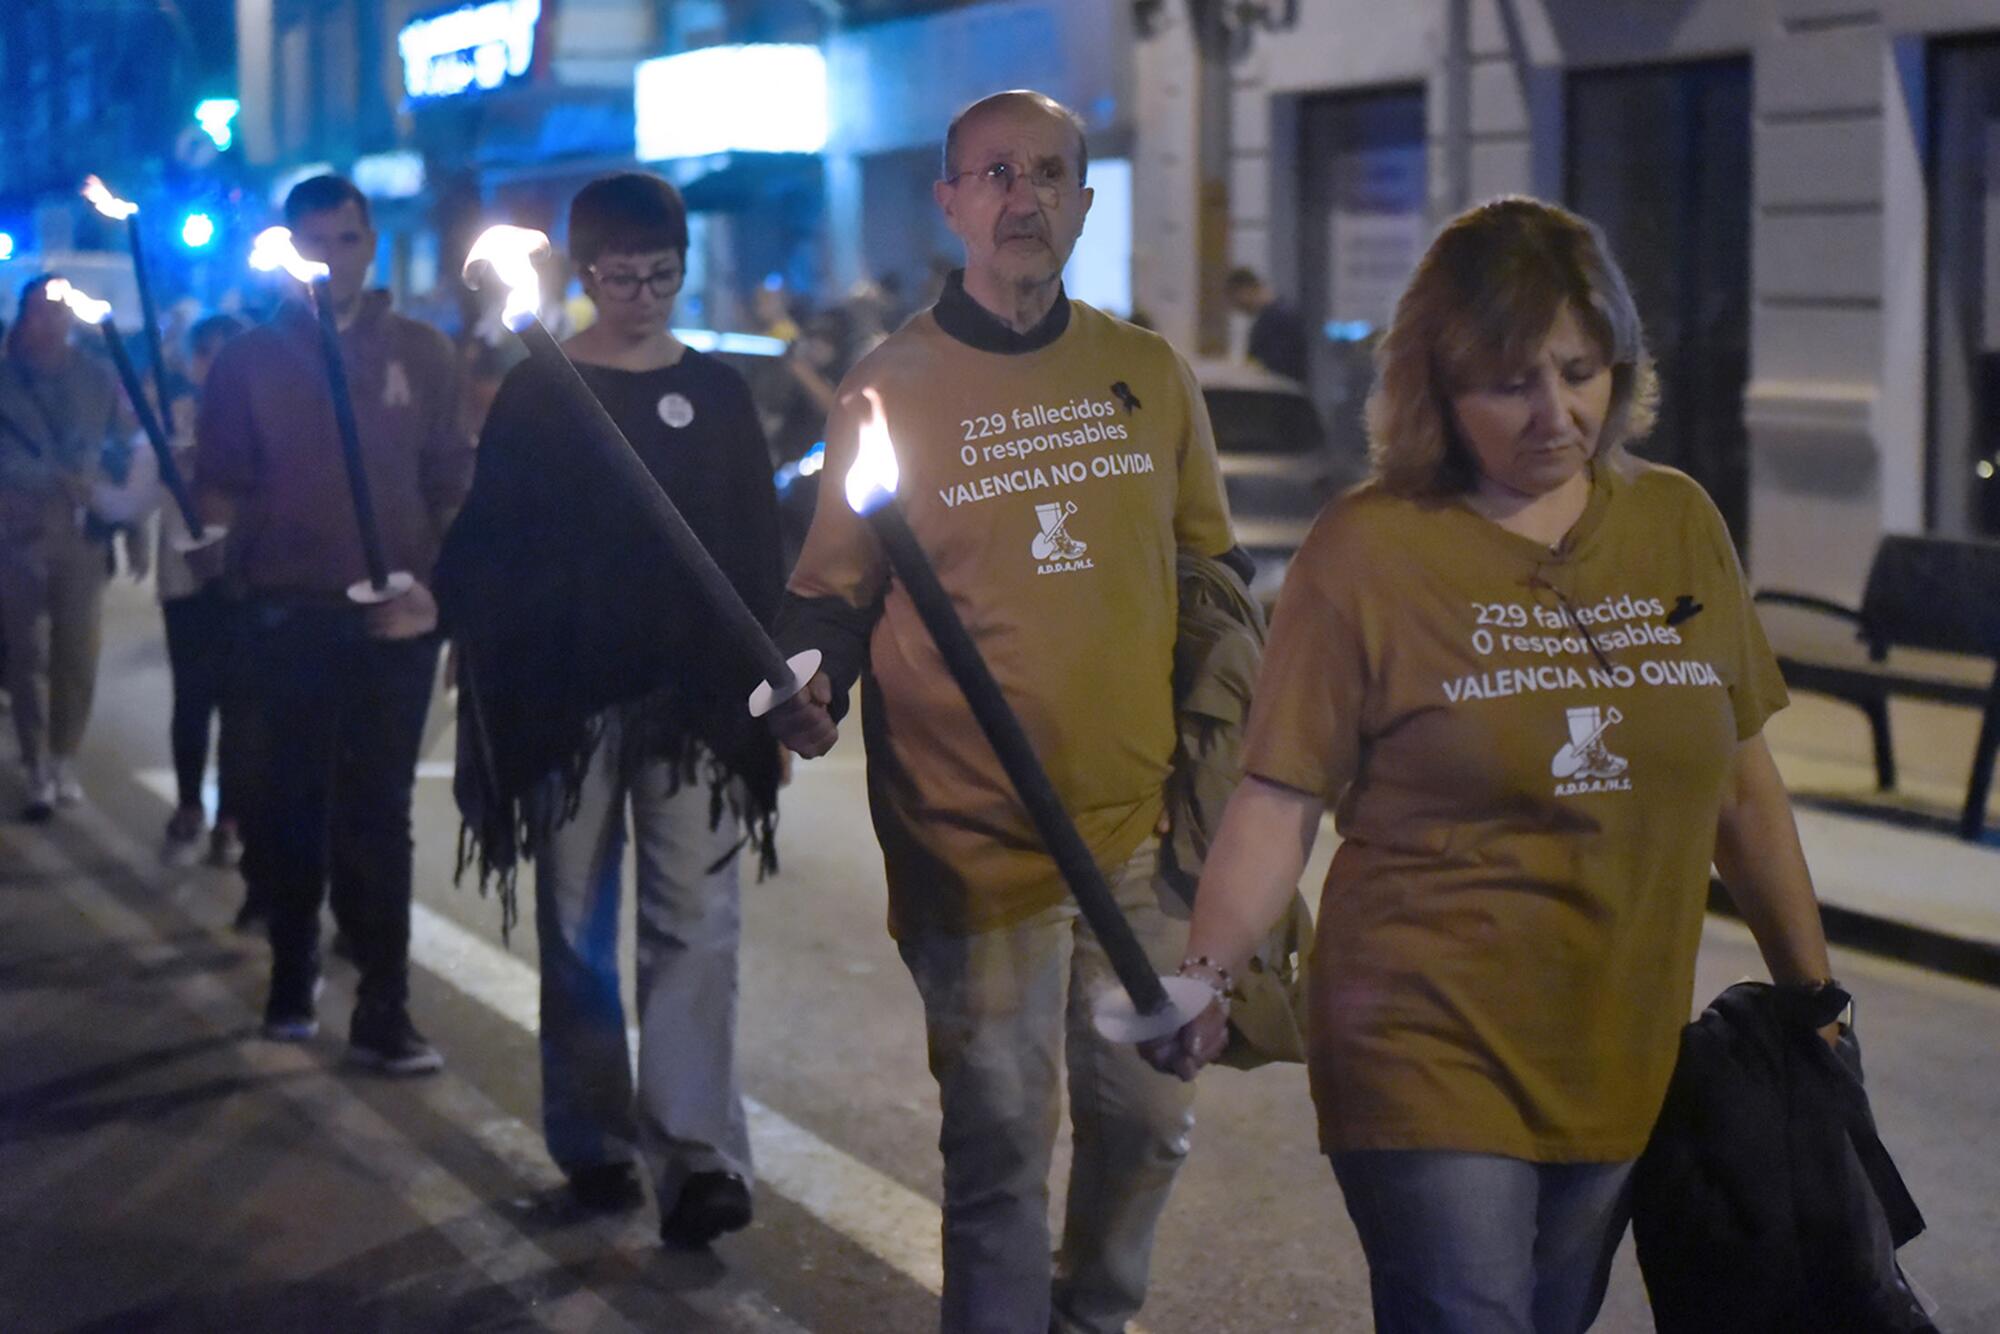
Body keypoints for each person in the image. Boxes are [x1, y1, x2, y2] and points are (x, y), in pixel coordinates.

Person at [1143, 197, 1842, 1333]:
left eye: (1578, 369)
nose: (1553, 411)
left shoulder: (1675, 524)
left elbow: (1739, 782)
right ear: (1436, 386)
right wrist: (1209, 974)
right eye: (1508, 381)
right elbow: (1278, 796)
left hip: (1617, 1041)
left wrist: (1811, 995)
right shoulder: (1367, 548)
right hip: (1421, 1035)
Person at [768, 90, 1244, 1334]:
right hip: (970, 847)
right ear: (950, 203)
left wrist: (1235, 766)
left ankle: (1091, 1311)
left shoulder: (1146, 374)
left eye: (1047, 173)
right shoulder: (889, 388)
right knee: (993, 1153)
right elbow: (828, 594)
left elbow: (1210, 582)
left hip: (1136, 835)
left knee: (1147, 1124)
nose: (1021, 196)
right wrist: (807, 678)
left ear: (1083, 202)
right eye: (991, 173)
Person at [436, 172, 783, 1247]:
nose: (641, 294)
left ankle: (694, 1153)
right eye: (619, 275)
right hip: (570, 703)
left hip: (692, 707)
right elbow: (492, 536)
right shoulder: (543, 390)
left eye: (660, 274)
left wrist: (777, 681)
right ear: (582, 274)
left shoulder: (717, 393)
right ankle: (592, 1136)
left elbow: (754, 551)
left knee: (695, 925)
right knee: (576, 926)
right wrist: (438, 605)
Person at [194, 174, 472, 1073]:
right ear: (290, 248)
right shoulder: (246, 362)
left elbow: (450, 488)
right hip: (289, 617)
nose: (331, 257)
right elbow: (222, 489)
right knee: (290, 803)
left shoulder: (423, 353)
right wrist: (212, 550)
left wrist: (444, 597)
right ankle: (293, 965)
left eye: (347, 240)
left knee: (379, 811)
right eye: (313, 242)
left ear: (371, 243)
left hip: (396, 623)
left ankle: (385, 1005)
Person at [0, 275, 121, 820]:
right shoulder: (6, 379)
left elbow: (119, 448)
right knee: (25, 653)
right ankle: (34, 764)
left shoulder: (96, 377)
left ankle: (64, 755)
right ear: (23, 316)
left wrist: (127, 524)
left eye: (59, 311)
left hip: (79, 533)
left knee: (79, 650)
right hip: (17, 529)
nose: (50, 322)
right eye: (39, 311)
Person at [158, 312, 247, 867]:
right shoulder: (174, 422)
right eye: (205, 351)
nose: (215, 362)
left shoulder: (261, 420)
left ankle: (232, 814)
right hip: (186, 580)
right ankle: (190, 802)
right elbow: (136, 489)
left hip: (244, 577)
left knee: (241, 702)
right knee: (192, 696)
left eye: (227, 350)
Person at [1224, 266, 1308, 384]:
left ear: (1245, 290)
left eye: (1235, 299)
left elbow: (1276, 368)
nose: (1236, 307)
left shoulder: (1275, 319)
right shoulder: (1280, 316)